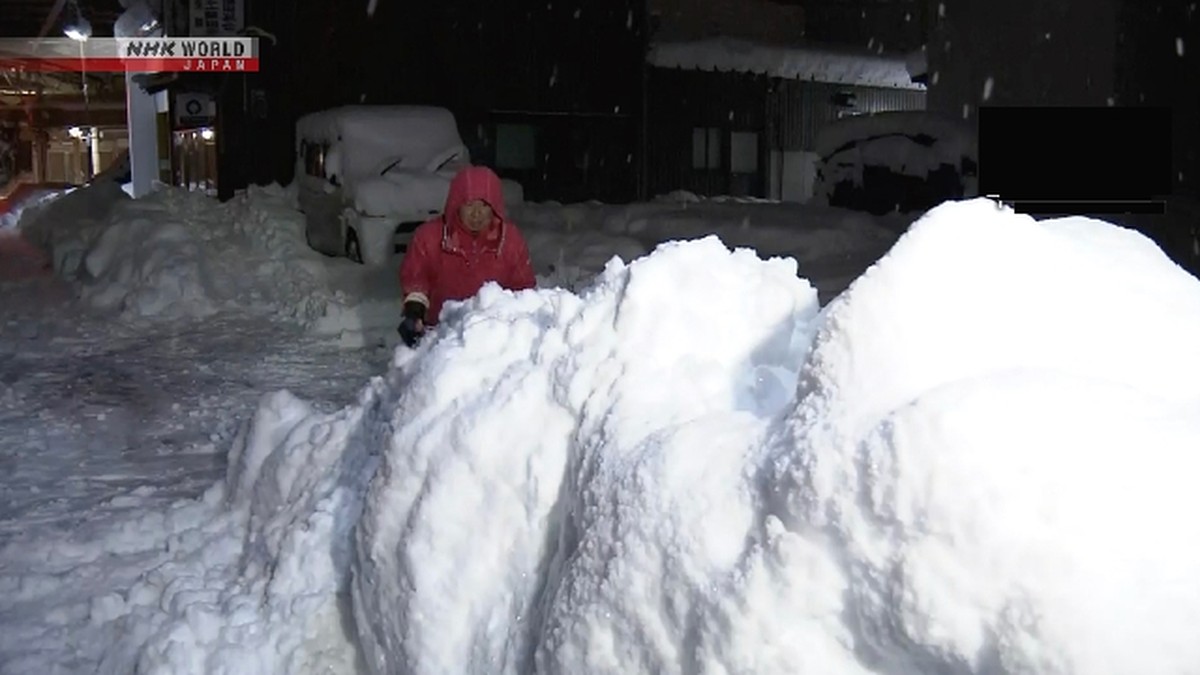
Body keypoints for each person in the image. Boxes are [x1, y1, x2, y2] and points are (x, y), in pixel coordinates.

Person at [397, 165, 537, 347]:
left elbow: (523, 290)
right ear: (457, 203)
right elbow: (416, 279)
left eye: (484, 206)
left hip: (494, 338)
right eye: (470, 204)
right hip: (440, 337)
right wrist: (414, 313)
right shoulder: (430, 237)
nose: (477, 214)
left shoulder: (510, 240)